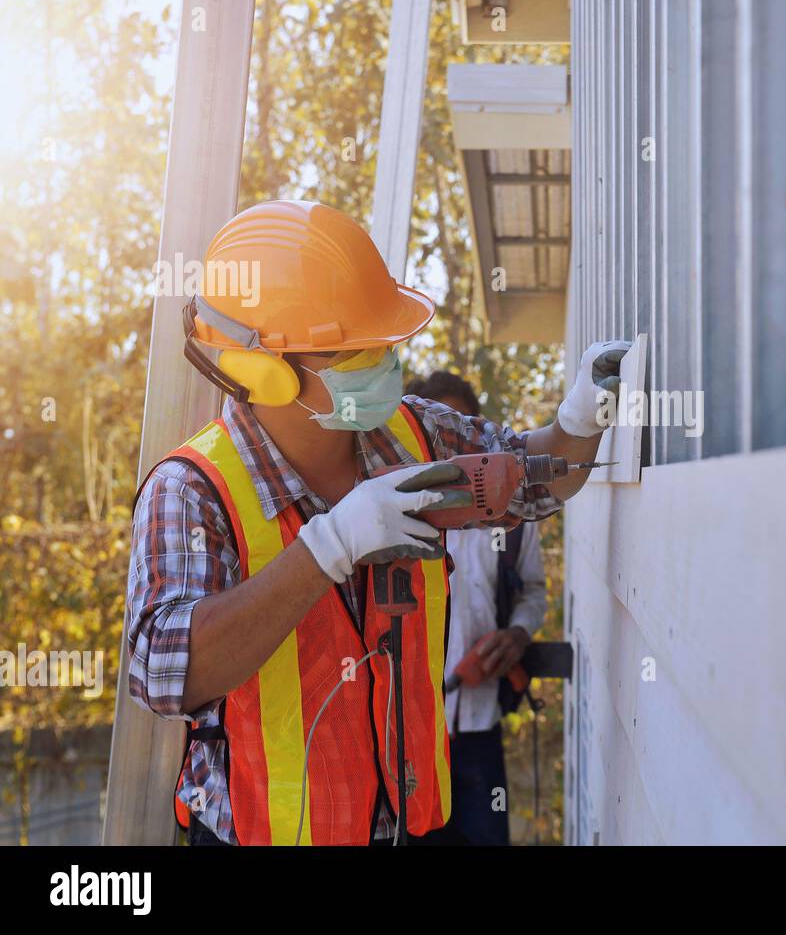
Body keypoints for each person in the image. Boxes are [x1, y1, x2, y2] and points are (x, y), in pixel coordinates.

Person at [125, 200, 629, 845]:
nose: (383, 360)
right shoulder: (194, 490)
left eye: (382, 341)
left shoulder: (412, 433)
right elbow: (165, 675)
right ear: (263, 368)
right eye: (352, 349)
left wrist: (578, 424)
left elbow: (532, 483)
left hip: (412, 827)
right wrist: (327, 548)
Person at [405, 371, 546, 846]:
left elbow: (532, 590)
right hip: (409, 736)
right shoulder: (393, 516)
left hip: (480, 727)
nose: (455, 456)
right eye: (440, 441)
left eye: (462, 434)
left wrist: (518, 634)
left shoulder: (513, 516)